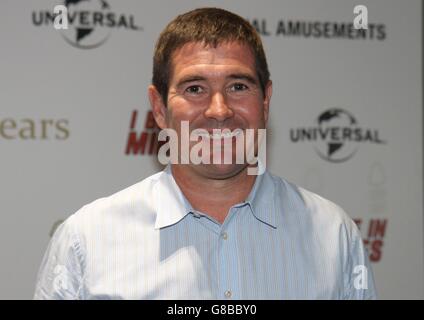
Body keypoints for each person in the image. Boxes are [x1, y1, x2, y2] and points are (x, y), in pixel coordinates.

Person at [34, 7, 377, 300]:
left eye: (238, 86)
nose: (219, 110)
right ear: (159, 108)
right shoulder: (86, 240)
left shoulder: (334, 235)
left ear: (266, 101)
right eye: (195, 88)